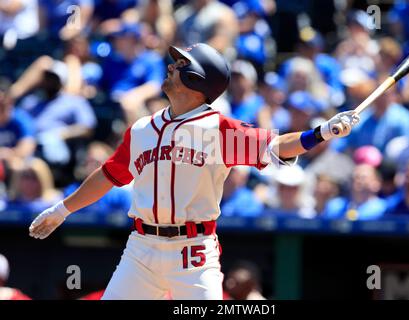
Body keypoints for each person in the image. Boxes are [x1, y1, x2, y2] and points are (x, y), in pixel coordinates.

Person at [28, 43, 360, 300]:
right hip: (140, 248)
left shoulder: (217, 128)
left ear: (197, 79)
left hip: (194, 252)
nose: (172, 66)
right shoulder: (143, 128)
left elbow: (276, 145)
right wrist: (62, 209)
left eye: (182, 65)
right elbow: (109, 174)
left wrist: (321, 133)